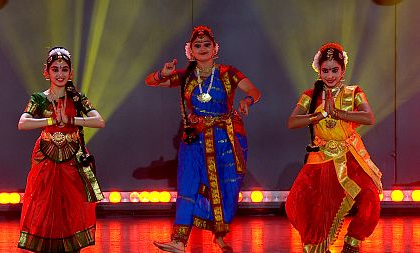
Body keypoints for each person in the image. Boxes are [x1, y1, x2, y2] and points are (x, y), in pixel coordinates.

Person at [145, 25, 261, 253]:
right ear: (191, 51)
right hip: (194, 137)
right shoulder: (187, 75)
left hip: (223, 137)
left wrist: (246, 102)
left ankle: (219, 237)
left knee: (224, 187)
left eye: (207, 44)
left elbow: (255, 91)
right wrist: (163, 73)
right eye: (197, 45)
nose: (202, 48)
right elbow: (151, 81)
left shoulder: (228, 72)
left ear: (215, 48)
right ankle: (179, 240)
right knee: (187, 183)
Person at [285, 42, 383, 253]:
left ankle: (352, 243)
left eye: (334, 70)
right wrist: (319, 115)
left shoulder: (353, 92)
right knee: (296, 204)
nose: (330, 75)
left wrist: (338, 113)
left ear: (343, 70)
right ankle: (316, 246)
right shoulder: (310, 95)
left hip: (350, 156)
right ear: (318, 71)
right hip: (321, 158)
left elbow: (368, 116)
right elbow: (292, 122)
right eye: (325, 70)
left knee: (370, 199)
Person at [17, 47, 105, 252]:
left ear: (71, 73)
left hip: (72, 158)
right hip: (45, 157)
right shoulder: (39, 98)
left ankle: (71, 247)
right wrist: (50, 120)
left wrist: (71, 120)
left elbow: (99, 121)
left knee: (72, 206)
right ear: (46, 72)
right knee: (44, 204)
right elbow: (22, 123)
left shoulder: (77, 98)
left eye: (64, 69)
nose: (60, 74)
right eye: (55, 69)